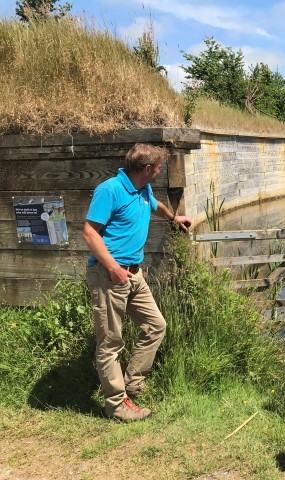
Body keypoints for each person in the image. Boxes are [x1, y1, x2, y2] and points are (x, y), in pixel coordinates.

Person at [83, 143, 192, 422]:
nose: (159, 171)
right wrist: (113, 268)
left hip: (134, 275)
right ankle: (117, 405)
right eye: (158, 168)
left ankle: (133, 383)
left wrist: (173, 217)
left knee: (156, 325)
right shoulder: (110, 190)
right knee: (110, 342)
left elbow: (155, 206)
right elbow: (89, 233)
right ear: (147, 169)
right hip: (109, 276)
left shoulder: (143, 189)